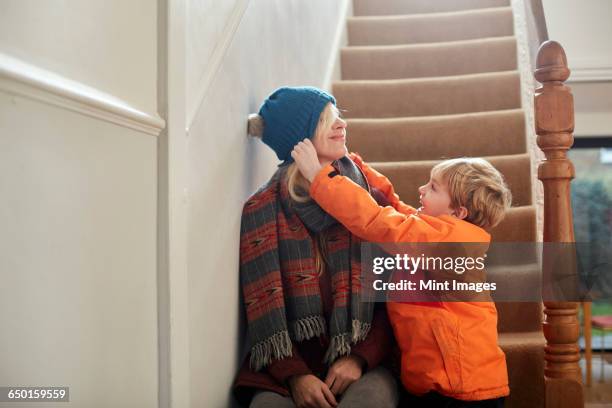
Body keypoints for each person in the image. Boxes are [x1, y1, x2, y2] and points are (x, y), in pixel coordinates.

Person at [291, 139, 512, 407]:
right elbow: (394, 207)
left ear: (458, 212)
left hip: (463, 388)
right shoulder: (434, 233)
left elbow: (380, 222)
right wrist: (356, 166)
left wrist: (319, 177)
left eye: (433, 187)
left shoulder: (453, 244)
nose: (421, 189)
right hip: (434, 381)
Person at [233, 87, 399, 408]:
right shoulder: (262, 212)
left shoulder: (366, 201)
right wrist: (296, 376)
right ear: (299, 141)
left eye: (339, 117)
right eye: (326, 120)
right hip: (286, 366)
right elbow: (262, 312)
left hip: (363, 357)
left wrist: (359, 360)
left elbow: (388, 304)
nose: (342, 126)